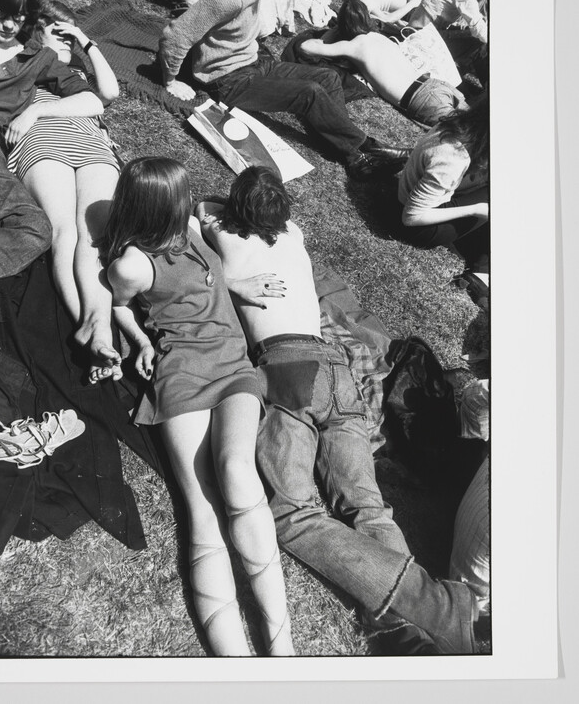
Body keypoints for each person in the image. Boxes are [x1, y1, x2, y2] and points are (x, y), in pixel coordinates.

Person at [196, 166, 480, 655]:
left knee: (292, 514)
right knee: (366, 505)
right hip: (337, 367)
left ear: (236, 210)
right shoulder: (293, 232)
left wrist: (231, 267)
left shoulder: (221, 233)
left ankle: (433, 606)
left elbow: (199, 205)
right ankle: (404, 629)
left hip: (287, 371)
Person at [100, 157, 294, 657]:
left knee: (235, 470)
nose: (191, 202)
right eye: (181, 196)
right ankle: (236, 661)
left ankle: (282, 645)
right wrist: (140, 340)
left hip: (232, 365)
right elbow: (120, 303)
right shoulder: (132, 263)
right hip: (181, 372)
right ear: (157, 208)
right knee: (201, 505)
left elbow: (202, 279)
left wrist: (237, 287)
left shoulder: (187, 229)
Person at [159, 0, 383, 177]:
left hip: (252, 60)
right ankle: (366, 149)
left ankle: (346, 147)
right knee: (309, 93)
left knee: (329, 77)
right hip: (228, 80)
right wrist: (170, 80)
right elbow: (176, 35)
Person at [0, 0, 122, 378]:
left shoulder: (37, 56)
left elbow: (102, 97)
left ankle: (99, 325)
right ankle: (87, 322)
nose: (9, 26)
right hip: (34, 148)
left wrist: (84, 41)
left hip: (82, 142)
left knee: (95, 231)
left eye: (16, 17)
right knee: (63, 229)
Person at [297, 0, 467, 127]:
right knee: (479, 123)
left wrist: (334, 31)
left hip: (419, 98)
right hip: (435, 84)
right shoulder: (378, 36)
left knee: (464, 135)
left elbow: (306, 47)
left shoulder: (353, 46)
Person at [396, 95, 489, 309]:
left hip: (432, 201)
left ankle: (482, 267)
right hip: (422, 228)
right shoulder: (453, 157)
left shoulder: (461, 127)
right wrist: (475, 209)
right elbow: (411, 217)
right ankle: (482, 270)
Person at [407, 0, 488, 81]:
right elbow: (477, 27)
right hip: (417, 37)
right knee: (475, 39)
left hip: (417, 29)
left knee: (472, 34)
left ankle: (463, 67)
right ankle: (464, 69)